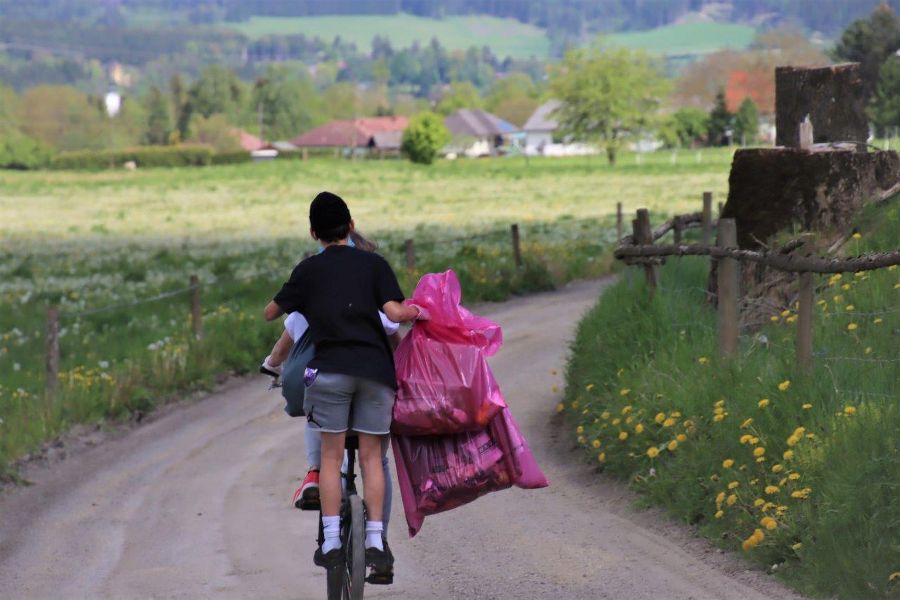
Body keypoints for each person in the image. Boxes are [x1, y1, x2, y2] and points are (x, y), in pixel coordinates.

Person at [264, 191, 421, 575]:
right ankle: (375, 541)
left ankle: (332, 540)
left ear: (313, 232)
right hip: (374, 374)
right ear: (350, 227)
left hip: (329, 373)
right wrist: (419, 309)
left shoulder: (308, 271)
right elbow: (396, 314)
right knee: (372, 458)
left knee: (331, 458)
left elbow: (272, 313)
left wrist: (299, 299)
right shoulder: (374, 265)